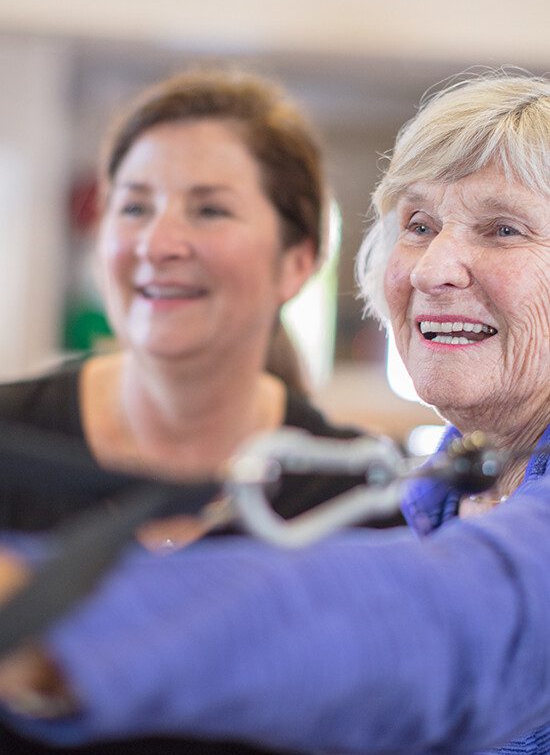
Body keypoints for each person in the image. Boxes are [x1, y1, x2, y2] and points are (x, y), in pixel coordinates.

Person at [1, 70, 550, 754]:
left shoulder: (363, 505)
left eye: (503, 230)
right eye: (418, 225)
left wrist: (50, 621)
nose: (433, 267)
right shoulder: (422, 495)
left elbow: (430, 621)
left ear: (297, 263)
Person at [0, 69, 377, 754]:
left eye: (209, 210)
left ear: (296, 262)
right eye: (134, 207)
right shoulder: (9, 441)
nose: (158, 243)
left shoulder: (351, 498)